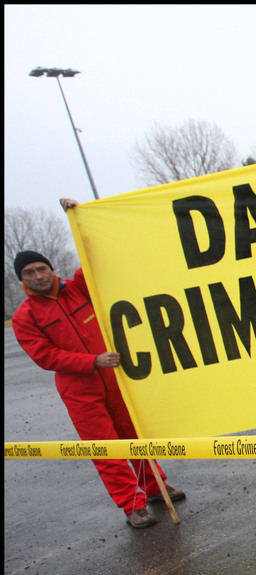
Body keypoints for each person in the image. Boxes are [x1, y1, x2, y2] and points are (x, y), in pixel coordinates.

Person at [11, 199, 186, 529]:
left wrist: (78, 218)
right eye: (29, 273)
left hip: (115, 379)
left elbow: (91, 253)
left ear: (50, 269)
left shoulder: (77, 289)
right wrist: (91, 360)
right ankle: (132, 505)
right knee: (107, 450)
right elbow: (45, 356)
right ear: (22, 279)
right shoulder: (25, 316)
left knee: (133, 436)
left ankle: (154, 487)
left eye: (41, 269)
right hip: (79, 389)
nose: (37, 276)